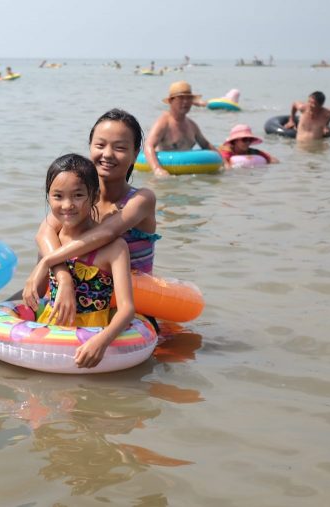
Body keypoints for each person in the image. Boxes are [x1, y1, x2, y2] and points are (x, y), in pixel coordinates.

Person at [23, 109, 160, 330]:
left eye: (120, 147)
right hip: (75, 292)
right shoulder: (79, 197)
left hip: (128, 303)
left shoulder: (141, 199)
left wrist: (49, 262)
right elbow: (44, 232)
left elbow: (106, 233)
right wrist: (63, 277)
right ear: (90, 147)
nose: (107, 154)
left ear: (136, 154)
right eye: (100, 145)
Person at [25, 153, 135, 368]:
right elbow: (37, 294)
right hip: (51, 329)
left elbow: (126, 309)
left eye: (77, 195)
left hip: (92, 332)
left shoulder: (114, 248)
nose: (67, 205)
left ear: (94, 196)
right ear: (48, 197)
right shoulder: (53, 240)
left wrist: (103, 340)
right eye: (58, 196)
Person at [143, 81, 214, 177]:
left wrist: (224, 162)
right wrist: (157, 169)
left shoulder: (192, 125)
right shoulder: (163, 123)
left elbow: (206, 145)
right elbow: (148, 145)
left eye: (189, 98)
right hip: (167, 176)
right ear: (171, 101)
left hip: (188, 176)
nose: (185, 102)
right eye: (181, 98)